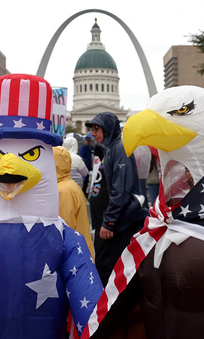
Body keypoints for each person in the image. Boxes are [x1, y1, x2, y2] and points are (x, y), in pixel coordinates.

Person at [85, 112, 149, 285]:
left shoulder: (119, 149)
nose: (93, 133)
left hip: (119, 224)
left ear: (108, 128)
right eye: (92, 129)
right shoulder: (109, 150)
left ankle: (113, 307)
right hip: (110, 224)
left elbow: (121, 191)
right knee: (107, 266)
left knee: (112, 269)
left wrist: (109, 221)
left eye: (96, 129)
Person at [53, 146, 95, 258]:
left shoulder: (63, 190)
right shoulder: (69, 185)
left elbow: (64, 226)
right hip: (80, 252)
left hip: (74, 255)